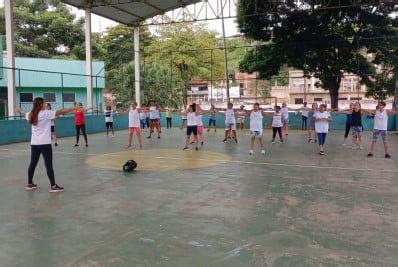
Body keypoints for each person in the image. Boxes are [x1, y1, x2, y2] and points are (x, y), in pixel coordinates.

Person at [16, 97, 75, 192]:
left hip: (34, 144)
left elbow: (23, 113)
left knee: (32, 163)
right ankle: (53, 186)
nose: (45, 105)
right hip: (44, 144)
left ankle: (30, 184)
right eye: (44, 103)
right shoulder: (45, 114)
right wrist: (73, 108)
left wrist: (18, 109)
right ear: (40, 105)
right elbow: (61, 111)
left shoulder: (31, 114)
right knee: (48, 165)